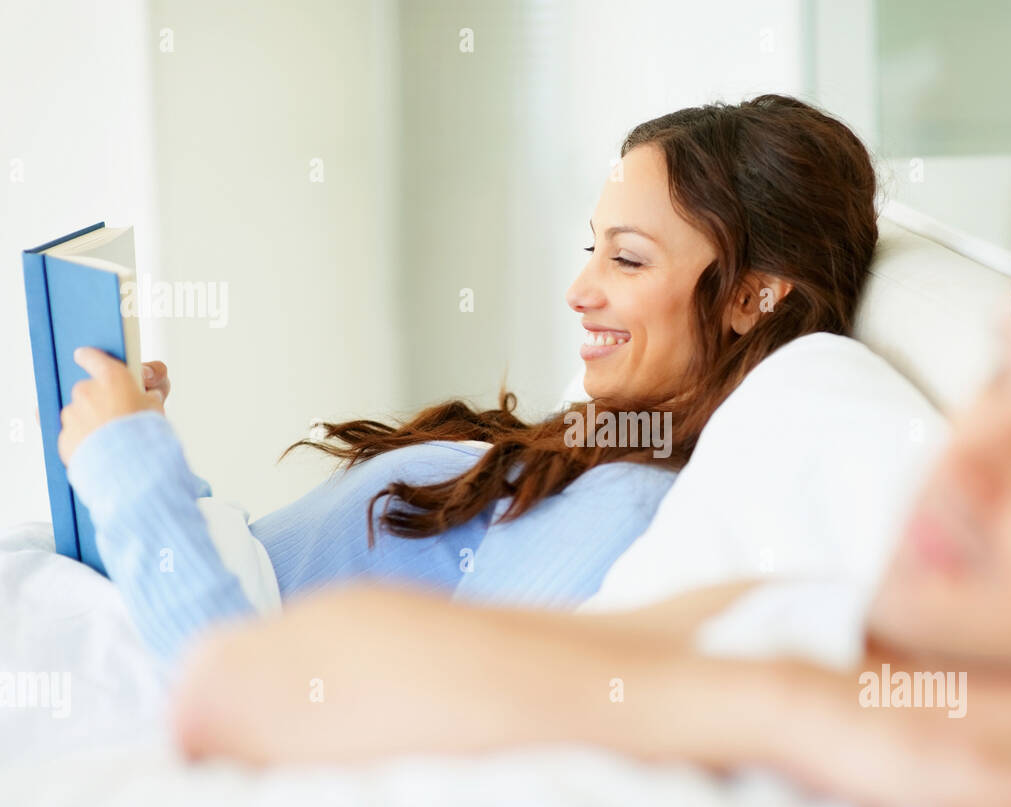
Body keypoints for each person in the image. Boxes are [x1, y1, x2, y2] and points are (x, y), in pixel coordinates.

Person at [170, 144, 1011, 807]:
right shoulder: (815, 629)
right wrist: (806, 712)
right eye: (1006, 376)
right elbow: (233, 684)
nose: (971, 459)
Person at [55, 94, 879, 663]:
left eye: (627, 258)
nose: (580, 290)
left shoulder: (630, 512)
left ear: (749, 297)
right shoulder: (600, 449)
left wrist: (134, 473)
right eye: (591, 248)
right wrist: (154, 463)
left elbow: (267, 707)